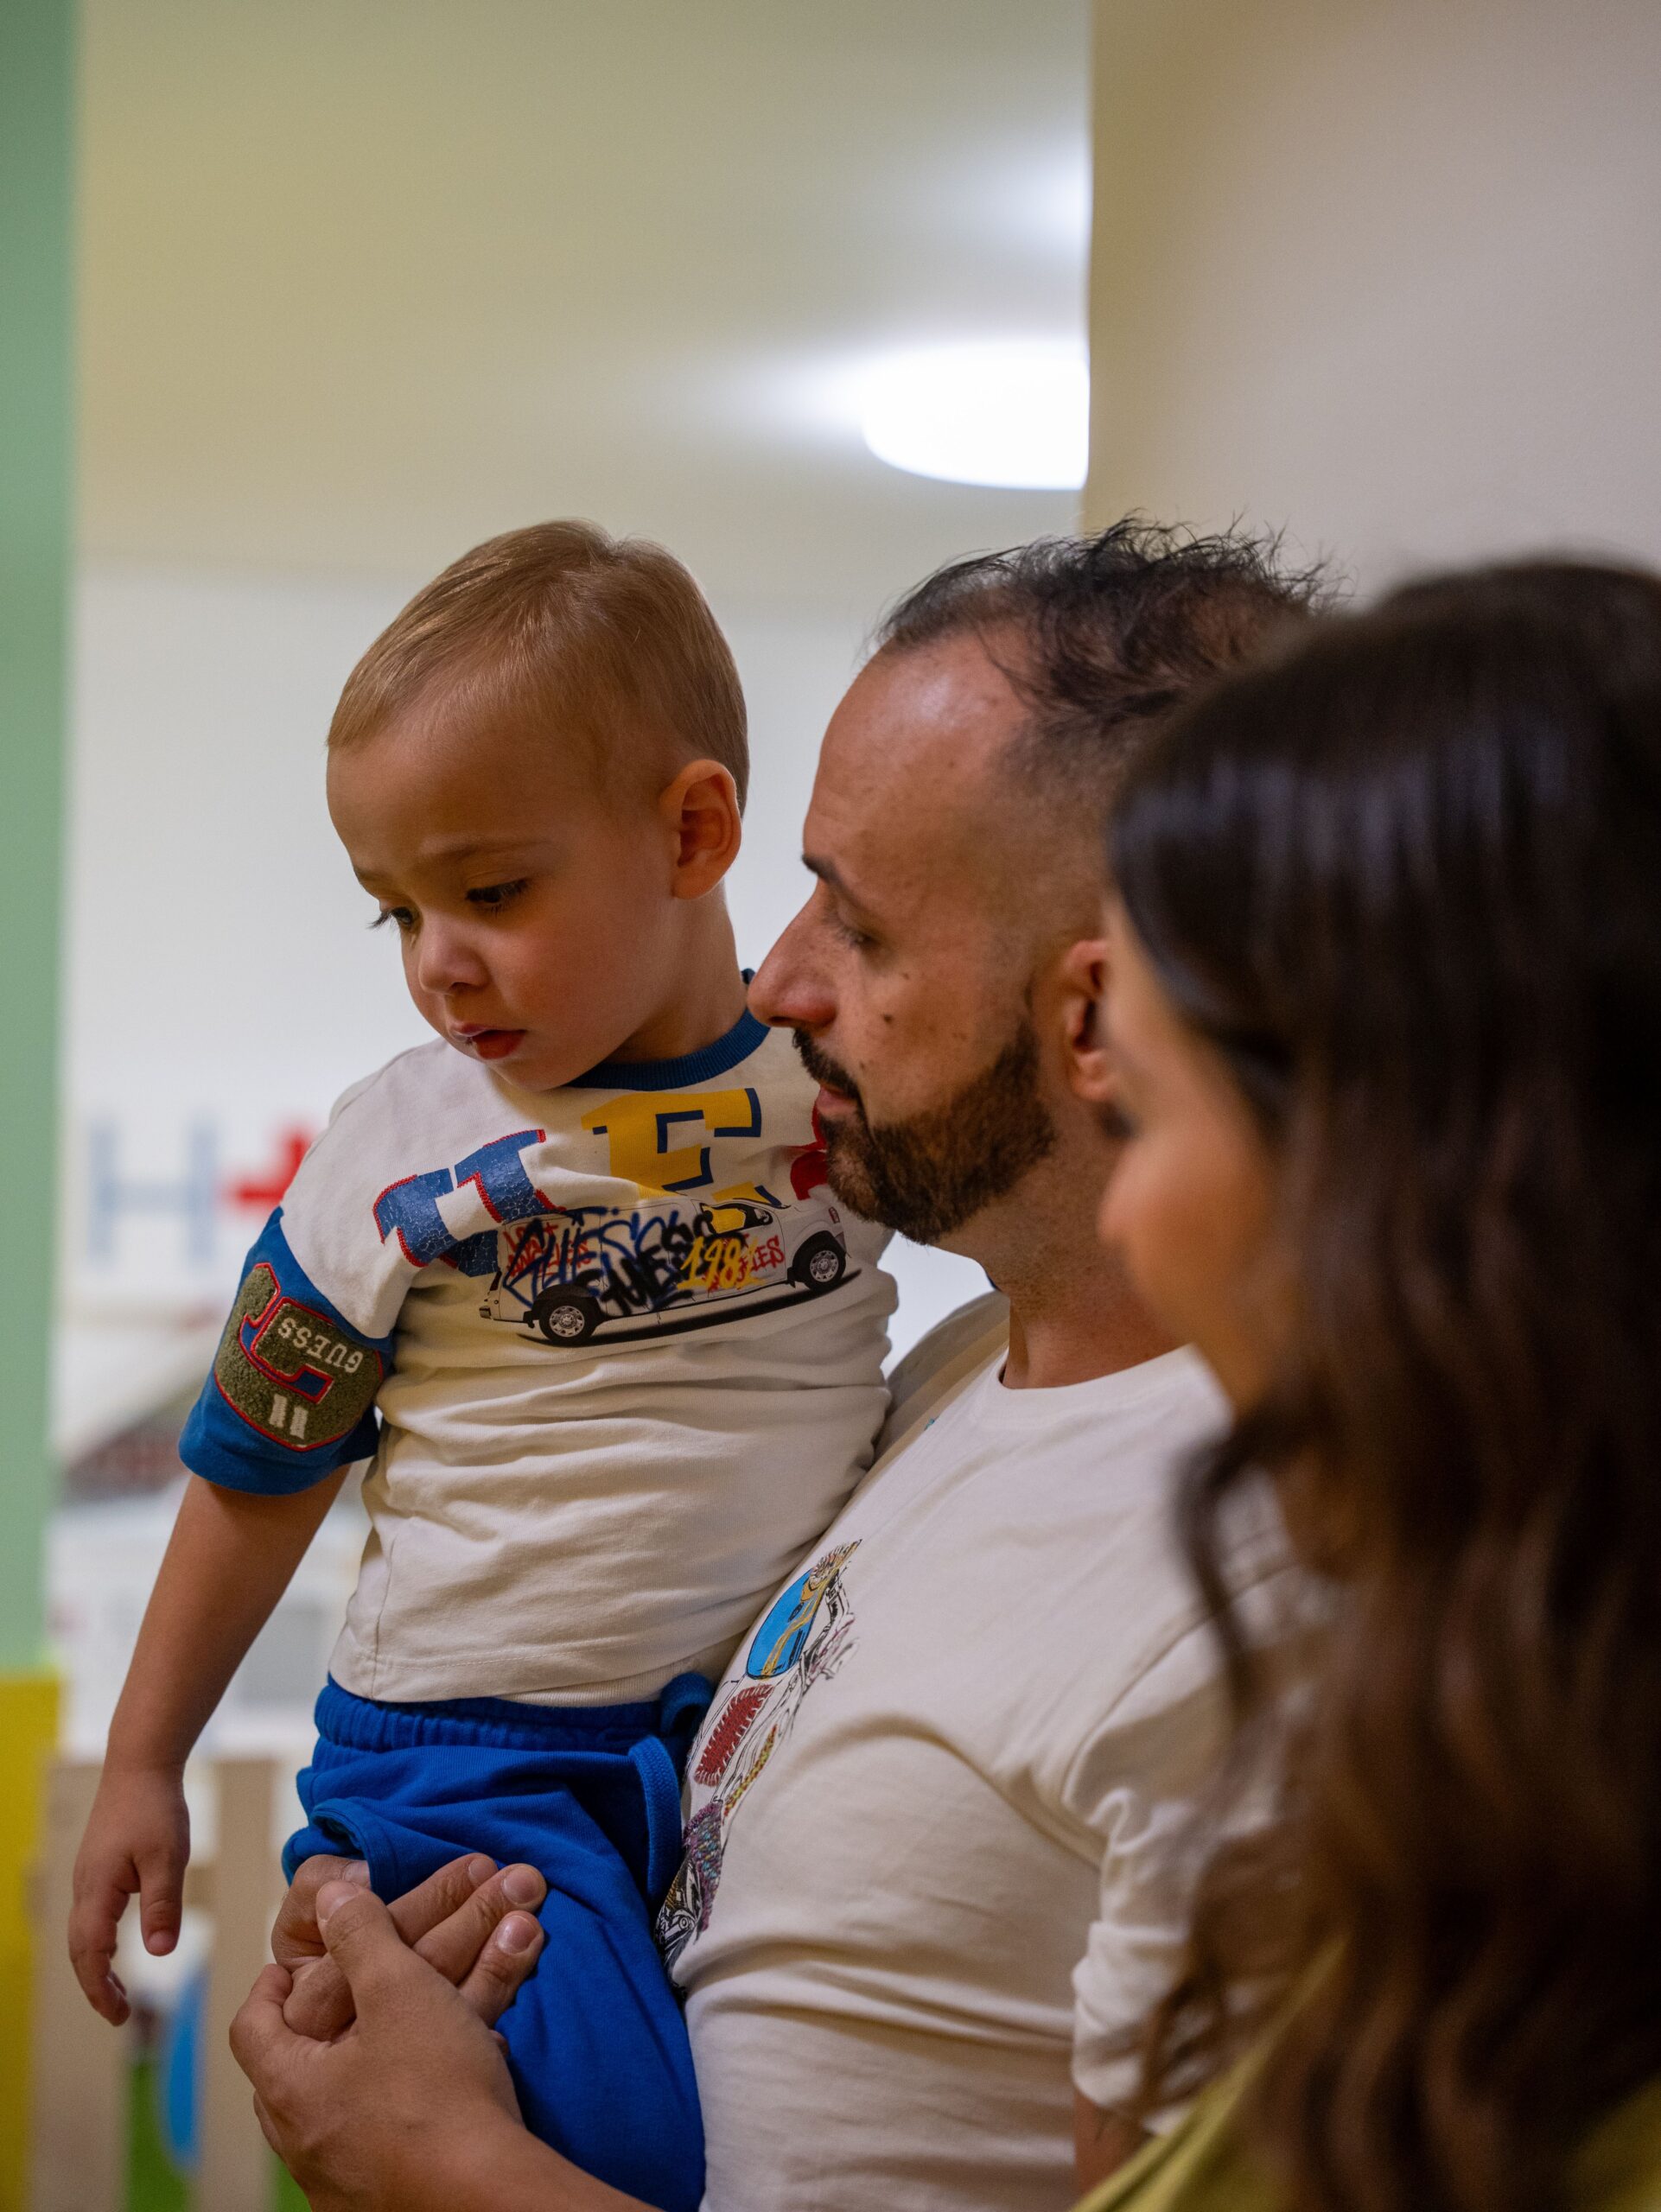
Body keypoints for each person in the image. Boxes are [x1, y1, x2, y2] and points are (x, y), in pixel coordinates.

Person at [232, 523, 1321, 2212]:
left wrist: (442, 2163)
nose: (782, 979)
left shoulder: (1262, 1581)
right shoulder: (951, 1374)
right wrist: (426, 1972)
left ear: (1100, 1015)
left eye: (860, 926)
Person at [69, 520, 896, 2212]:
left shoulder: (840, 1085)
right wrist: (146, 1757)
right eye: (398, 910)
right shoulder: (397, 1146)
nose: (437, 958)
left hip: (747, 1721)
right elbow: (256, 1462)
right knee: (624, 2153)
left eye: (492, 891)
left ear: (692, 832)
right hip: (474, 1759)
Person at [1076, 559, 1661, 2210]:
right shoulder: (1508, 1821)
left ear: (1402, 1181)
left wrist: (459, 2160)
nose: (1124, 1216)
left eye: (1143, 1112)